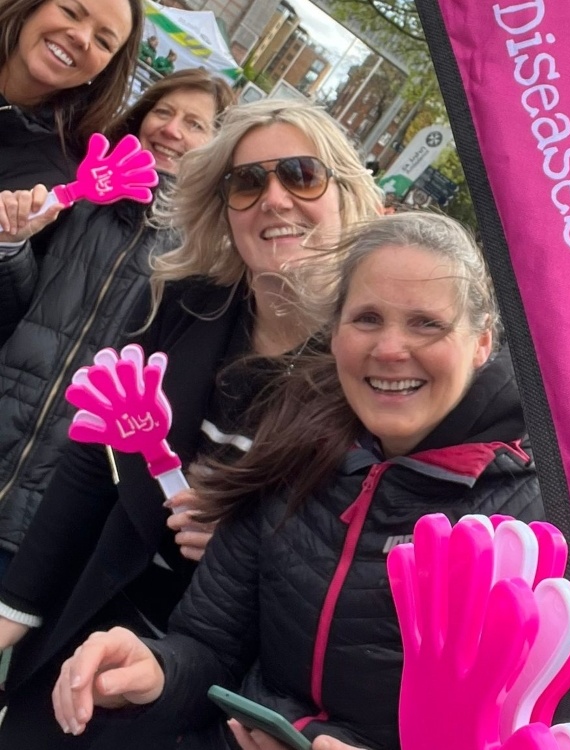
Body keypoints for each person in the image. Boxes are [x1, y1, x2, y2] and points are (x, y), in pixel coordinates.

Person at [49, 211, 544, 750]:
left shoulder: (530, 518)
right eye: (367, 318)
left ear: (481, 343)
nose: (391, 348)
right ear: (333, 335)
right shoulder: (295, 448)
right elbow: (209, 646)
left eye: (427, 323)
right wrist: (156, 671)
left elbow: (526, 727)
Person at [0, 99, 385, 748]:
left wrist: (249, 542)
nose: (274, 197)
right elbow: (96, 461)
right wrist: (14, 611)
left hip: (229, 688)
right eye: (246, 181)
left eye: (301, 174)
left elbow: (364, 563)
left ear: (346, 195)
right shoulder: (184, 304)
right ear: (223, 205)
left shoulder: (376, 366)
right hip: (96, 617)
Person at [0, 69, 236, 580]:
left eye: (195, 124)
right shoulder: (80, 196)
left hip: (57, 501)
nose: (171, 130)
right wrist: (12, 244)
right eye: (164, 112)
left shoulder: (210, 257)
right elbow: (18, 303)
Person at [0, 0, 144, 191]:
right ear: (32, 8)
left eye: (103, 41)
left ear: (105, 71)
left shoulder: (56, 180)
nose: (81, 37)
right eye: (70, 12)